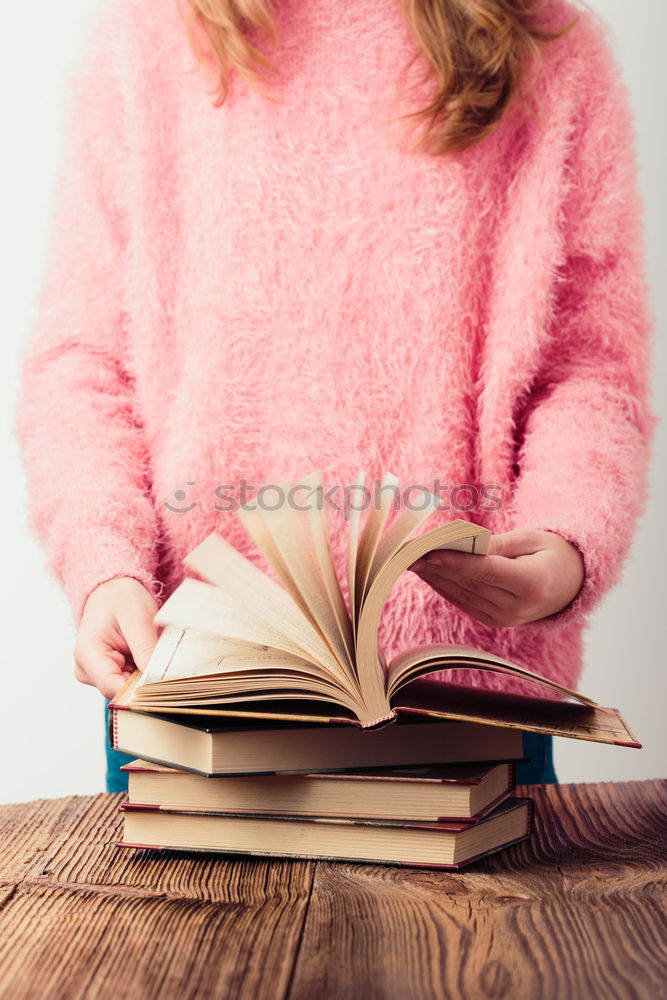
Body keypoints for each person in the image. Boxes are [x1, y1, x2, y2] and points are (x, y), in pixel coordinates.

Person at [15, 0, 655, 793]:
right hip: (201, 684)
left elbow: (590, 369)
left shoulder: (551, 44)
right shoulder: (148, 35)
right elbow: (84, 362)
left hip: (466, 702)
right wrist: (105, 568)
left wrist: (567, 546)